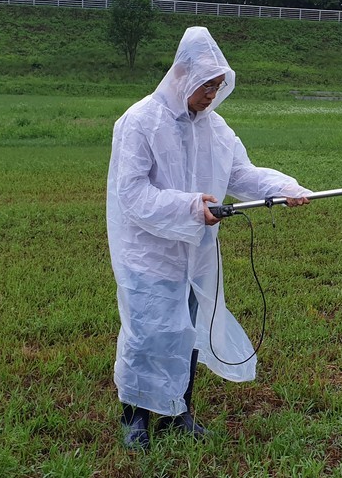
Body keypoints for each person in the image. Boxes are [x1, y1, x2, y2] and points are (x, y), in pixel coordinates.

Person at [106, 26, 310, 449]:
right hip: (149, 253)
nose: (211, 95)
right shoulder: (140, 122)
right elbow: (131, 194)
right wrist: (190, 207)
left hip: (195, 253)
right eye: (205, 86)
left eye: (218, 86)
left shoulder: (215, 129)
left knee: (189, 331)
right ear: (182, 75)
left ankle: (179, 412)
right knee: (148, 332)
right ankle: (136, 418)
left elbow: (242, 175)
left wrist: (285, 187)